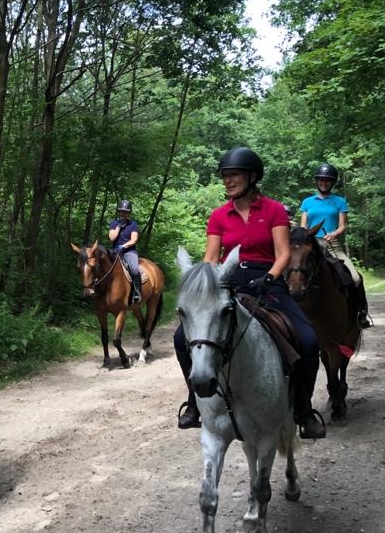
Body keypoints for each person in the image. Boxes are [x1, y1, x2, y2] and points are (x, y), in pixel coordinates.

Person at [174, 146, 326, 440]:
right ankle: (195, 402)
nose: (228, 181)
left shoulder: (274, 210)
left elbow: (283, 254)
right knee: (182, 337)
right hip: (228, 281)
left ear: (252, 177)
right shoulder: (219, 215)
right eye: (225, 176)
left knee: (308, 340)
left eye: (234, 175)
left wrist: (269, 278)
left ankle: (304, 411)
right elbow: (211, 258)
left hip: (266, 283)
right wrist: (206, 285)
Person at [300, 162, 371, 329]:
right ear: (317, 181)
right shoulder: (308, 202)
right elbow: (304, 226)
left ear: (332, 183)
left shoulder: (339, 201)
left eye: (327, 181)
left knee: (354, 277)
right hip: (311, 245)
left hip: (333, 245)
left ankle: (361, 313)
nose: (324, 183)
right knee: (295, 274)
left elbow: (342, 226)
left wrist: (334, 233)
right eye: (321, 180)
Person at [108, 200, 142, 303]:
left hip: (129, 251)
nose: (123, 214)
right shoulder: (113, 224)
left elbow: (134, 240)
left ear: (129, 213)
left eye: (126, 212)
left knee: (135, 269)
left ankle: (137, 292)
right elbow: (112, 238)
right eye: (122, 211)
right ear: (119, 212)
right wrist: (118, 226)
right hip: (115, 251)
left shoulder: (133, 225)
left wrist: (124, 246)